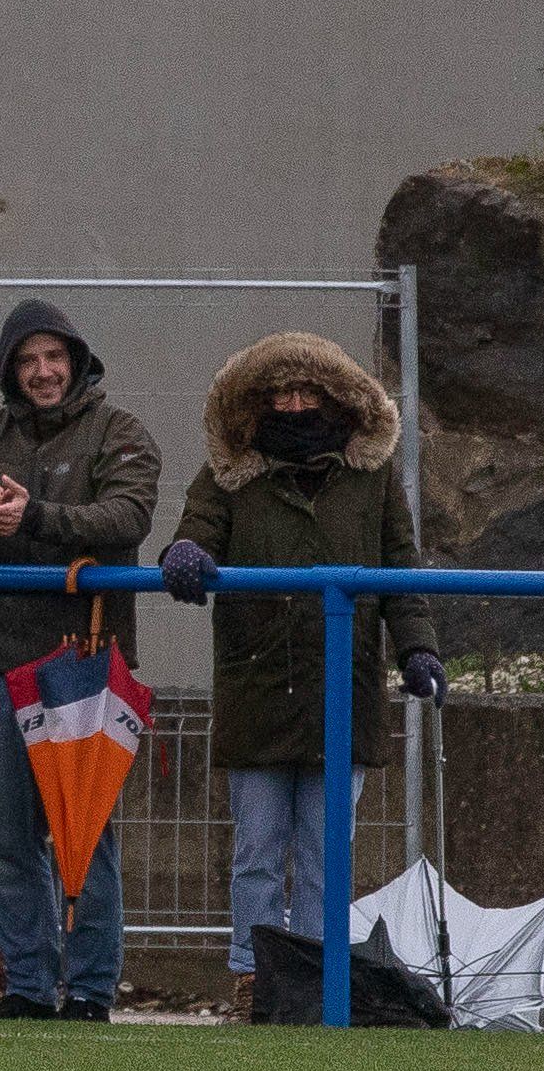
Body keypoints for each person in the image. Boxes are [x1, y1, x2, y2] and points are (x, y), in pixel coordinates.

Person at [159, 332, 443, 1022]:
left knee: (326, 851)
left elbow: (400, 568)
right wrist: (187, 550)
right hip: (257, 685)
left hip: (341, 689)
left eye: (308, 393)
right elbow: (194, 528)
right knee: (256, 849)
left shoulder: (370, 482)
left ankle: (318, 981)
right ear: (256, 405)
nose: (294, 405)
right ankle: (255, 981)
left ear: (337, 400)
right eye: (280, 394)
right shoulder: (231, 475)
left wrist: (416, 649)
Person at [0, 299, 162, 1022]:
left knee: (88, 837)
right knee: (8, 842)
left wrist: (33, 517)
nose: (42, 372)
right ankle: (25, 986)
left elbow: (128, 517)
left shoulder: (121, 431)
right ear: (11, 371)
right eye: (27, 360)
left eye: (53, 357)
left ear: (76, 360)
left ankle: (89, 990)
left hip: (86, 663)